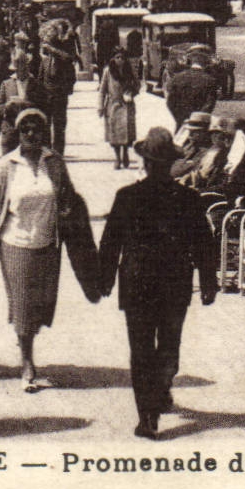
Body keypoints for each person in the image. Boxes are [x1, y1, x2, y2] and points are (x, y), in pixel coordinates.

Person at [97, 126, 219, 439]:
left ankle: (148, 416)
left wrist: (105, 279)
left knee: (140, 352)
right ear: (170, 165)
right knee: (168, 348)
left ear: (146, 163)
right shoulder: (190, 199)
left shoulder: (127, 197)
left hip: (137, 284)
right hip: (174, 286)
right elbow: (204, 244)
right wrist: (208, 281)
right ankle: (161, 390)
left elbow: (111, 243)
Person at [0, 107, 91, 392]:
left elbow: (68, 196)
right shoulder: (6, 165)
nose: (30, 134)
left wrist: (68, 213)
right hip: (15, 243)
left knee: (41, 305)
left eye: (36, 128)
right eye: (25, 129)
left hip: (48, 244)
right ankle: (27, 362)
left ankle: (24, 335)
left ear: (44, 132)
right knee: (24, 304)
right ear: (17, 132)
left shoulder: (54, 161)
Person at [99, 46, 139, 170]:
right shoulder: (108, 71)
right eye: (117, 57)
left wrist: (132, 92)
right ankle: (117, 157)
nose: (120, 60)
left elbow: (138, 84)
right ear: (113, 58)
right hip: (113, 105)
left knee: (127, 132)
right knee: (114, 133)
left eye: (122, 57)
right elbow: (102, 91)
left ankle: (125, 153)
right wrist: (100, 106)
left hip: (127, 105)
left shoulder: (130, 70)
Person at [163, 54, 218, 129]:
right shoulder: (210, 81)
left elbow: (170, 102)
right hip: (199, 125)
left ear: (190, 63)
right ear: (205, 64)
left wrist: (179, 118)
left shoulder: (177, 78)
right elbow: (209, 103)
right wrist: (198, 117)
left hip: (180, 123)